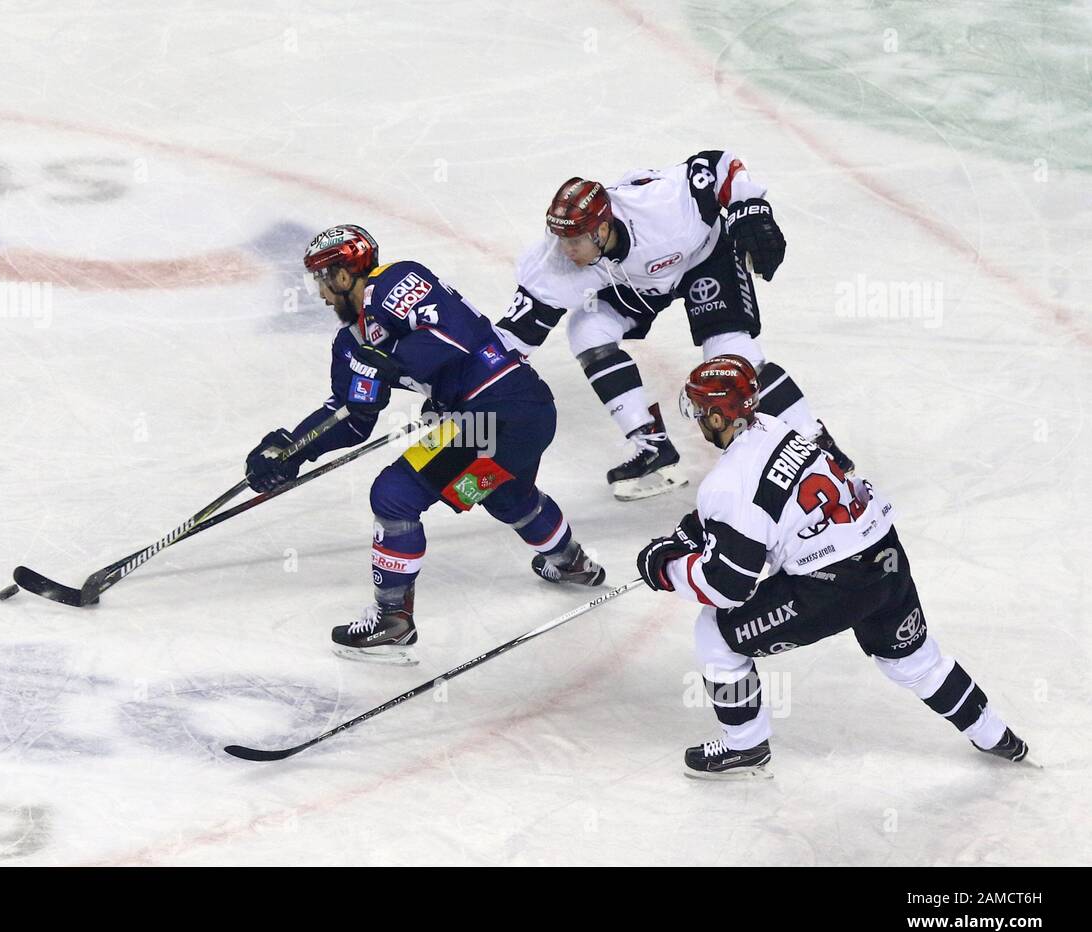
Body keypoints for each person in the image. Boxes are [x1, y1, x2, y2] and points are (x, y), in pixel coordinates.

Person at [635, 355, 1028, 777]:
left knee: (715, 633)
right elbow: (764, 507)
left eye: (699, 410)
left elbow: (729, 586)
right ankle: (999, 738)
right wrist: (695, 532)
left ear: (717, 416)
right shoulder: (775, 426)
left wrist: (667, 570)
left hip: (832, 585)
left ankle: (745, 746)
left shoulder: (727, 483)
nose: (696, 419)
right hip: (884, 554)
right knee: (915, 661)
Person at [246, 225, 605, 665]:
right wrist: (293, 449)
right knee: (504, 494)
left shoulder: (393, 283)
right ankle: (571, 561)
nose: (319, 295)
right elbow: (353, 417)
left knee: (394, 496)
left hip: (499, 409)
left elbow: (453, 337)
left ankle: (392, 620)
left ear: (343, 276)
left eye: (321, 280)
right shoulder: (351, 342)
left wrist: (391, 366)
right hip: (510, 423)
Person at [495, 151, 853, 500]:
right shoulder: (555, 261)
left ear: (602, 229)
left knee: (730, 354)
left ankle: (817, 443)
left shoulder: (663, 210)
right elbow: (513, 337)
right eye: (561, 239)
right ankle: (651, 445)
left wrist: (750, 209)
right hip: (634, 282)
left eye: (574, 241)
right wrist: (473, 372)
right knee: (587, 329)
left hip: (703, 259)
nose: (566, 250)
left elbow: (718, 165)